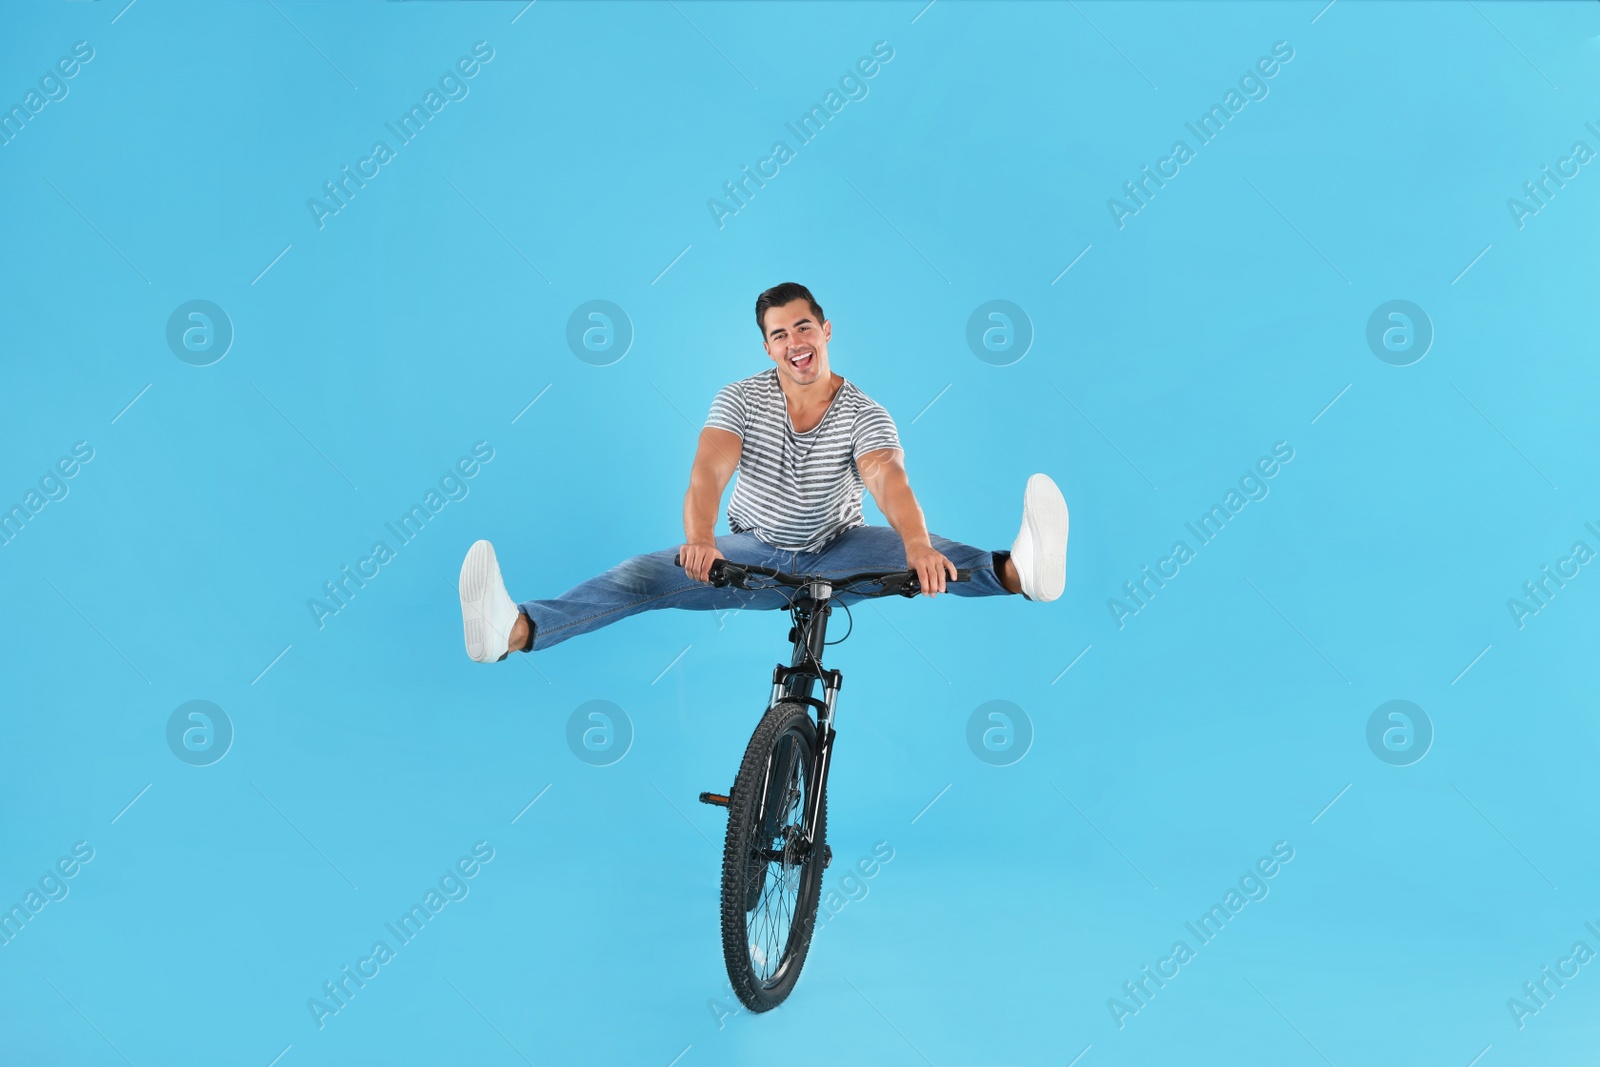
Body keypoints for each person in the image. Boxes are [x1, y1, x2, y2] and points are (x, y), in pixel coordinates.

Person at [458, 282, 1068, 661]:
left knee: (939, 550)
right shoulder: (740, 399)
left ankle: (1024, 571)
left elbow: (887, 479)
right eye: (779, 334)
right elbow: (707, 472)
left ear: (825, 331)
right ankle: (510, 630)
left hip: (841, 550)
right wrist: (698, 540)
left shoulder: (865, 413)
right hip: (755, 553)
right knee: (639, 576)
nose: (794, 341)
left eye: (803, 326)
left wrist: (914, 545)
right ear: (768, 348)